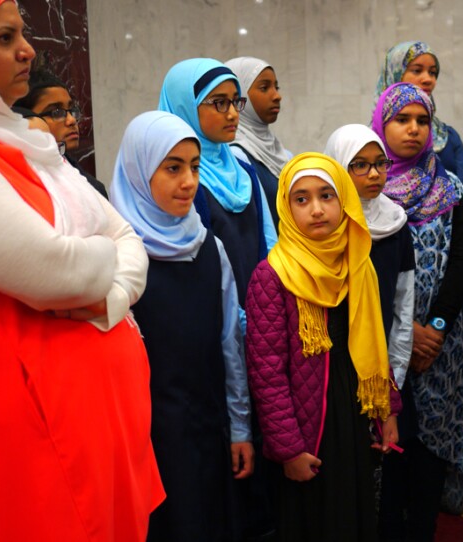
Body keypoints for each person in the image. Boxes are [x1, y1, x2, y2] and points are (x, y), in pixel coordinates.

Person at [0, 1, 163, 540]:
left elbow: (128, 240)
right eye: (3, 38)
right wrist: (99, 257)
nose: (28, 50)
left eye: (23, 32)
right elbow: (61, 274)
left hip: (78, 438)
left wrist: (108, 296)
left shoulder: (25, 145)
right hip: (3, 462)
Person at [109, 111, 254, 542]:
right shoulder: (119, 252)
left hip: (207, 427)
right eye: (173, 168)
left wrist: (240, 426)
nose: (189, 181)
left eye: (194, 166)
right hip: (145, 436)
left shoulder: (208, 245)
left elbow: (231, 342)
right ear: (139, 171)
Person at [244, 152, 401, 542]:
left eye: (327, 196)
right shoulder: (273, 275)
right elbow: (266, 372)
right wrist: (288, 449)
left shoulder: (358, 264)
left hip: (353, 414)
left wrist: (388, 412)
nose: (316, 209)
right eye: (302, 199)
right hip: (307, 429)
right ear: (286, 206)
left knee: (356, 517)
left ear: (344, 201)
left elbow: (375, 345)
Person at [158, 57, 278, 541]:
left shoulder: (243, 166)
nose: (232, 114)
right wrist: (241, 323)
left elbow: (269, 242)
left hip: (260, 326)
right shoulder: (178, 183)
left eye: (236, 102)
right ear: (186, 106)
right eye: (219, 103)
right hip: (218, 332)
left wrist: (269, 315)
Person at [372, 82, 463, 540]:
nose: (414, 130)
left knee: (431, 447)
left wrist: (433, 326)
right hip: (384, 340)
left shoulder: (449, 190)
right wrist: (404, 333)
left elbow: (460, 267)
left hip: (438, 344)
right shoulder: (366, 196)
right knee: (391, 445)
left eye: (422, 121)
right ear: (381, 124)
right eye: (402, 120)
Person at [324, 124, 415, 391]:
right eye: (360, 165)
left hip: (384, 357)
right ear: (339, 167)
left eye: (380, 163)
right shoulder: (328, 226)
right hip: (336, 363)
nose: (374, 173)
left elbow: (404, 301)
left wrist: (396, 371)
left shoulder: (395, 223)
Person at [376, 41, 463, 226]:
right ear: (394, 72)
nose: (428, 79)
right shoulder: (367, 141)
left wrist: (439, 212)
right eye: (417, 70)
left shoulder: (446, 136)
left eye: (433, 72)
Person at [13, 69, 108, 197]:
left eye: (71, 110)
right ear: (28, 118)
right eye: (56, 112)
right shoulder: (14, 182)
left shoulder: (93, 188)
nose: (71, 120)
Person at [225, 56, 292, 229]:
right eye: (264, 88)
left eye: (276, 87)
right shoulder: (234, 156)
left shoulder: (281, 153)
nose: (277, 96)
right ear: (239, 96)